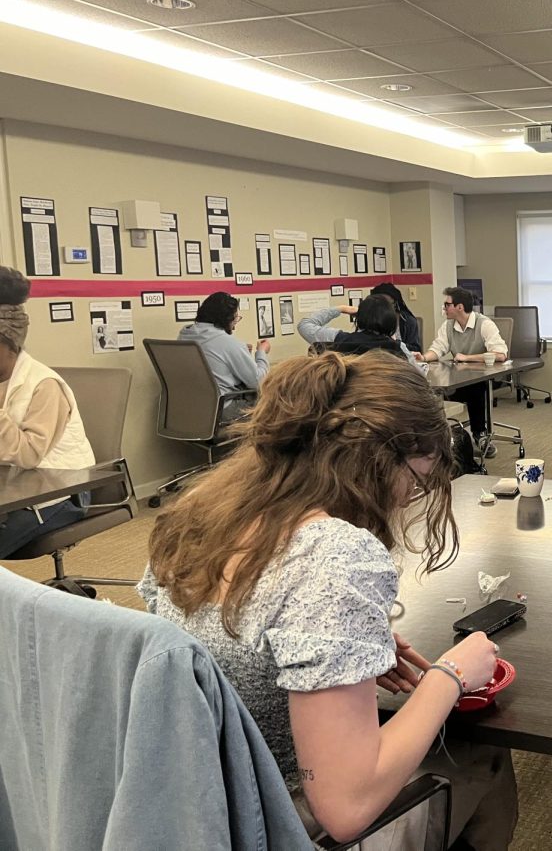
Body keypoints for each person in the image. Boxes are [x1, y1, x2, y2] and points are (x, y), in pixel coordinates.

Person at [138, 351, 517, 850]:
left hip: (189, 794)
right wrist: (448, 678)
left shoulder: (197, 515)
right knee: (482, 755)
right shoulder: (337, 554)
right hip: (267, 818)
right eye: (417, 480)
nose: (407, 498)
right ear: (383, 460)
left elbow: (218, 649)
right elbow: (344, 809)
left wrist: (338, 653)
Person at [0, 266, 95, 559]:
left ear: (7, 342)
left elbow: (29, 455)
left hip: (58, 494)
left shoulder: (44, 385)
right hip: (11, 490)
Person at [416, 286, 508, 457]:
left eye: (447, 304)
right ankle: (441, 437)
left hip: (484, 379)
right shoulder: (448, 326)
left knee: (476, 388)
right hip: (459, 378)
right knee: (433, 391)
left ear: (459, 307)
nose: (444, 308)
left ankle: (480, 433)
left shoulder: (484, 324)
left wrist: (468, 358)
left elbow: (501, 355)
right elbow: (438, 348)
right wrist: (423, 357)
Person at [178, 291, 269, 421]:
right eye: (235, 318)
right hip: (220, 411)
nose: (235, 324)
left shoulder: (185, 334)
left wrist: (240, 352)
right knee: (276, 402)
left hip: (189, 410)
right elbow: (258, 382)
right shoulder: (227, 343)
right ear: (226, 319)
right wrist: (261, 353)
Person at [297, 295, 426, 372]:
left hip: (344, 409)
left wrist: (342, 309)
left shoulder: (337, 339)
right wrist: (406, 355)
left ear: (359, 317)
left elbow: (304, 325)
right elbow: (418, 378)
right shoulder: (397, 348)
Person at [370, 282, 422, 352]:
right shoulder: (370, 320)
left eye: (387, 304)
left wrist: (395, 344)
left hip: (402, 359)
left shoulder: (408, 321)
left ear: (395, 303)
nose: (384, 308)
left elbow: (415, 349)